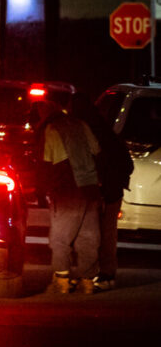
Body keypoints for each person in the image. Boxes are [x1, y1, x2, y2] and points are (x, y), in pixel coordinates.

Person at [32, 100, 102, 294]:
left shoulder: (51, 129)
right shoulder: (81, 124)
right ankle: (87, 281)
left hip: (67, 188)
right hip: (90, 187)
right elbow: (96, 151)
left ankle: (62, 281)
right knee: (88, 236)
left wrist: (42, 190)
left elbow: (46, 162)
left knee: (60, 238)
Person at [70, 93, 133, 292]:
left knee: (99, 233)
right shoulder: (101, 126)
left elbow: (95, 159)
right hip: (110, 188)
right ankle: (103, 272)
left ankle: (103, 274)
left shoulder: (87, 128)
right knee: (105, 232)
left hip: (104, 189)